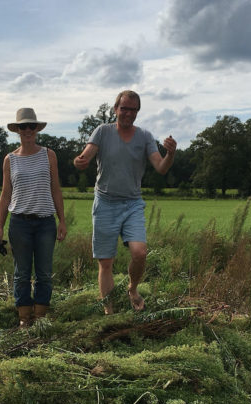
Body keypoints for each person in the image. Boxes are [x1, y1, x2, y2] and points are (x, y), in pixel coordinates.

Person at [74, 90, 177, 313]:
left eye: (133, 109)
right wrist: (80, 162)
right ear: (115, 109)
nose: (128, 113)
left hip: (132, 203)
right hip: (105, 202)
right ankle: (109, 313)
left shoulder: (145, 136)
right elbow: (86, 155)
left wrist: (170, 154)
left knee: (140, 253)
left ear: (137, 112)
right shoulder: (102, 131)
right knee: (106, 262)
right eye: (124, 108)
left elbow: (160, 167)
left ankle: (132, 288)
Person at [0, 108, 67, 326]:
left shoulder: (48, 155)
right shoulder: (10, 160)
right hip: (19, 223)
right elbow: (6, 194)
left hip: (45, 222)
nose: (27, 130)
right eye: (23, 126)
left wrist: (62, 220)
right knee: (22, 273)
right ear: (16, 130)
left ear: (37, 129)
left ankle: (40, 317)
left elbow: (55, 188)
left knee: (44, 273)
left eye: (31, 126)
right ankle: (24, 319)